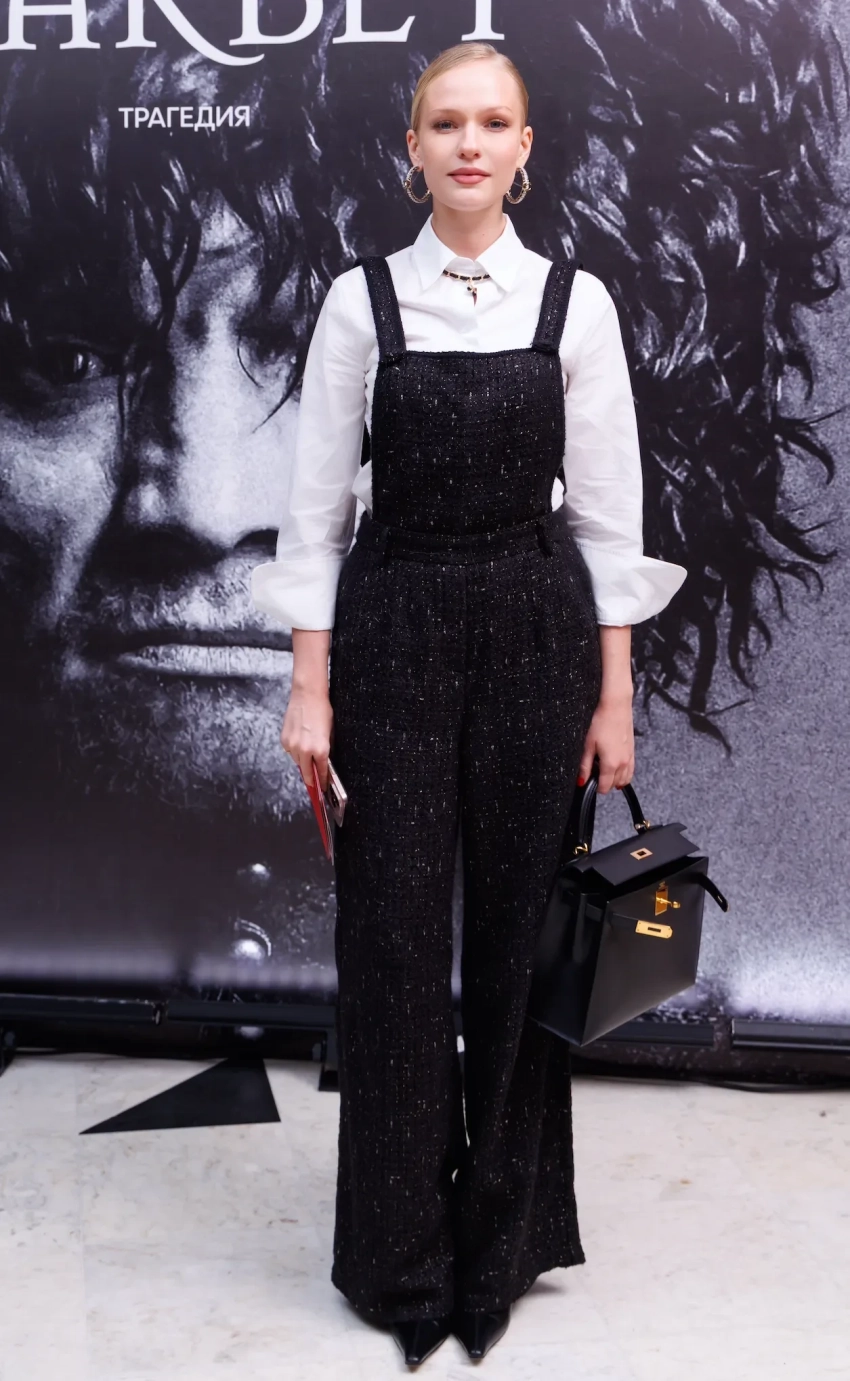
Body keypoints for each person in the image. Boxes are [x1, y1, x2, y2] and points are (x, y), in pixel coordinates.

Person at [251, 41, 687, 1364]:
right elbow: (314, 517)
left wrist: (614, 698)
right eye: (445, 123)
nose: (469, 145)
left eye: (493, 123)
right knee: (389, 946)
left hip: (536, 633)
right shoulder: (358, 303)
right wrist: (309, 688)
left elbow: (609, 525)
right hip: (391, 629)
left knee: (516, 941)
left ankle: (499, 1241)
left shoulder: (576, 304)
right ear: (413, 146)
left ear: (524, 146)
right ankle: (396, 1258)